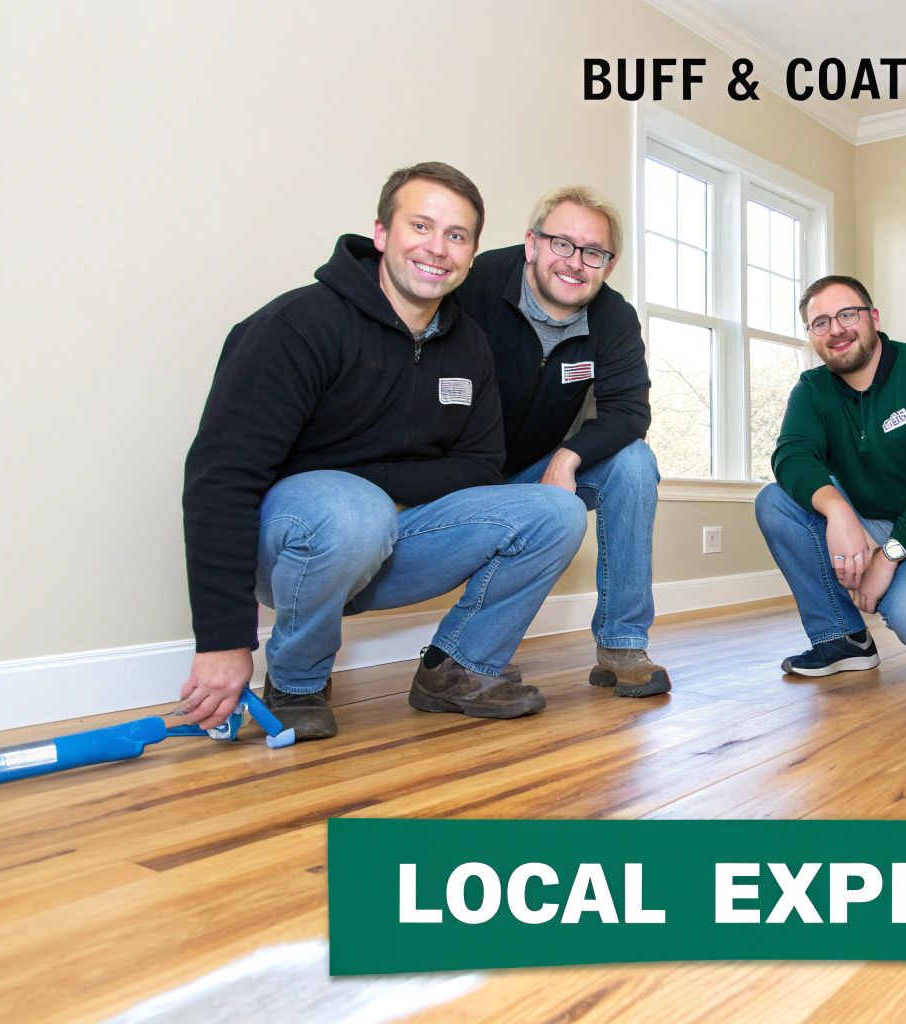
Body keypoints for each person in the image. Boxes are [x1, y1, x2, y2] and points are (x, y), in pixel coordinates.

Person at [178, 162, 587, 740]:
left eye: (456, 236)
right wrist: (223, 640)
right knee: (354, 509)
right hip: (296, 544)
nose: (437, 249)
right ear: (381, 233)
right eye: (421, 226)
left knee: (556, 511)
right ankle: (296, 683)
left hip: (394, 541)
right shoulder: (297, 326)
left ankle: (458, 670)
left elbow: (480, 465)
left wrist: (377, 486)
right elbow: (221, 480)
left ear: (471, 255)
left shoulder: (470, 345)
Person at [452, 186, 669, 698]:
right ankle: (473, 650)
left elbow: (630, 413)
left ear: (608, 266)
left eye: (594, 252)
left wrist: (568, 458)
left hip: (533, 469)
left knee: (634, 463)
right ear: (532, 244)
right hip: (455, 471)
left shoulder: (613, 318)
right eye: (562, 244)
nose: (576, 263)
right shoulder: (477, 283)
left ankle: (621, 643)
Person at [755, 275, 906, 676]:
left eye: (847, 314)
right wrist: (838, 512)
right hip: (869, 522)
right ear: (812, 336)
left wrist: (888, 558)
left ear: (873, 318)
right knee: (775, 501)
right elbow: (792, 454)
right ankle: (843, 639)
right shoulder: (813, 390)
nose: (835, 329)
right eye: (820, 323)